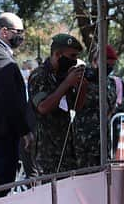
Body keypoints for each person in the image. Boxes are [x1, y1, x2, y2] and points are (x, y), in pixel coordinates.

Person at [28, 33, 88, 175]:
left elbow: (76, 107)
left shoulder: (64, 75)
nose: (75, 61)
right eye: (72, 56)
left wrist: (82, 87)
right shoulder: (39, 75)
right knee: (48, 195)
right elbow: (43, 107)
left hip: (65, 150)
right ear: (58, 54)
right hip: (45, 153)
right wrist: (67, 83)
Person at [0, 13, 31, 197]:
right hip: (0, 135)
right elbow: (9, 98)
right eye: (18, 32)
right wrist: (24, 129)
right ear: (4, 32)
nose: (21, 36)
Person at [75, 45, 117, 168]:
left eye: (112, 66)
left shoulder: (111, 83)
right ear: (94, 61)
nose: (109, 68)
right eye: (106, 65)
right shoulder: (83, 77)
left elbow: (111, 108)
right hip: (85, 141)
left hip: (103, 141)